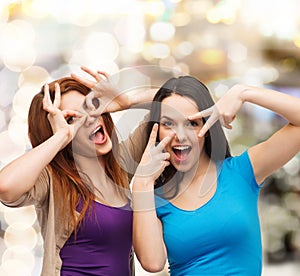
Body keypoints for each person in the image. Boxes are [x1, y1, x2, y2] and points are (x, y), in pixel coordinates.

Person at [131, 75, 300, 275]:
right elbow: (152, 263)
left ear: (208, 125)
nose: (180, 135)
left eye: (192, 123)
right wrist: (141, 184)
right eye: (168, 124)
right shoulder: (154, 197)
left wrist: (243, 92)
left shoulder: (242, 171)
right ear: (156, 130)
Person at [0, 67, 152, 276]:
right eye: (72, 119)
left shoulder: (121, 164)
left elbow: (178, 104)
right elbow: (5, 186)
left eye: (91, 107)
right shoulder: (52, 179)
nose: (88, 119)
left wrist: (126, 101)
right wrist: (61, 136)